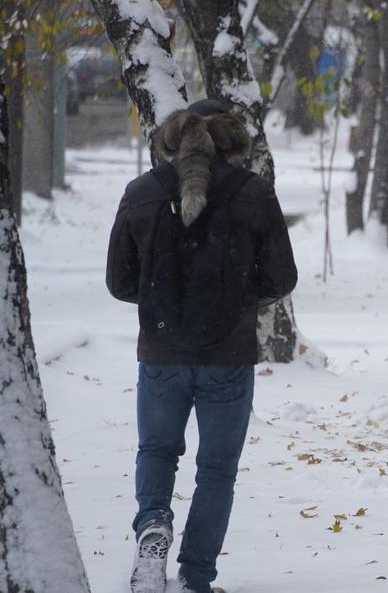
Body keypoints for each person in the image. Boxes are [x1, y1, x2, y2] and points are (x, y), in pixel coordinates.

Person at [106, 99, 297, 593]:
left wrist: (164, 303)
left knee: (157, 450)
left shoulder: (142, 193)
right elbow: (282, 277)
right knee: (216, 468)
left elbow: (119, 280)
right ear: (231, 141)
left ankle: (152, 527)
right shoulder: (253, 194)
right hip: (228, 358)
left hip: (161, 354)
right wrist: (237, 303)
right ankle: (195, 576)